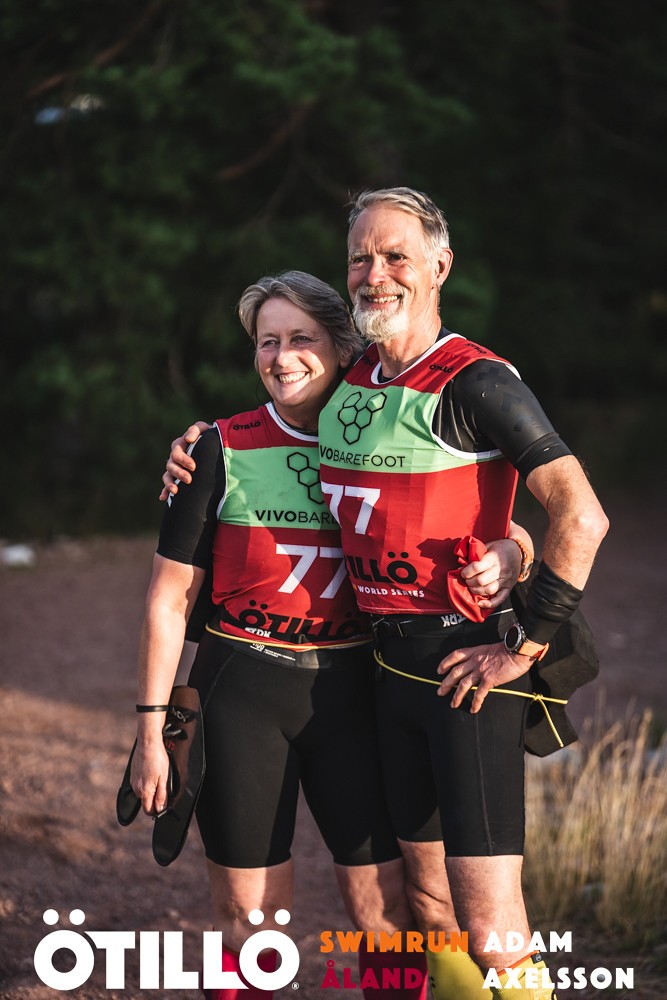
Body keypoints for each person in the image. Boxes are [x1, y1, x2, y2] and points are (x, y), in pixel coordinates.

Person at [136, 269, 529, 1000]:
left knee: (384, 914)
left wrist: (516, 550)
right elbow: (165, 600)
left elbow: (469, 519)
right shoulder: (216, 448)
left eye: (301, 339)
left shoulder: (386, 433)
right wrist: (150, 728)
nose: (281, 357)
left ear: (343, 346)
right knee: (248, 917)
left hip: (357, 691)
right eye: (266, 342)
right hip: (242, 691)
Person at [316, 187, 609, 1000]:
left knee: (491, 927)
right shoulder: (349, 377)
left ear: (439, 265)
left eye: (395, 255)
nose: (375, 274)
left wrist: (525, 643)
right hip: (382, 669)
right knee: (430, 908)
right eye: (360, 258)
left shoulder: (474, 380)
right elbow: (266, 427)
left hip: (466, 673)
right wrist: (193, 442)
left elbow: (580, 515)